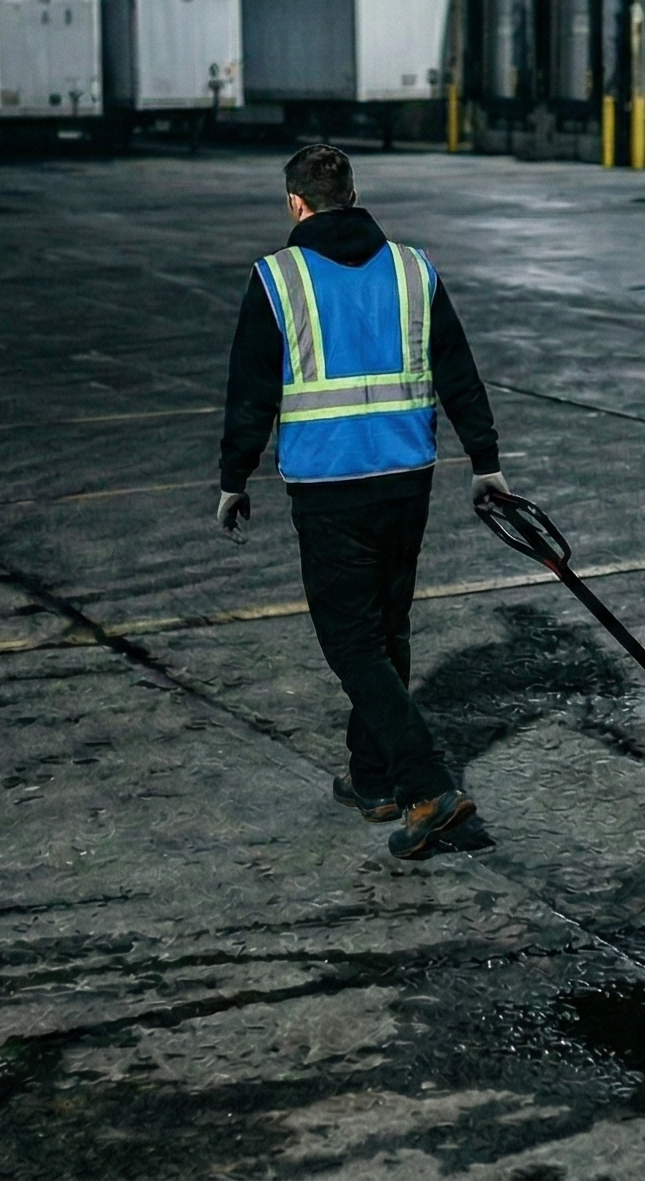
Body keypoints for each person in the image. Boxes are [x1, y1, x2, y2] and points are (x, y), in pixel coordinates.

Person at [217, 144, 508, 860]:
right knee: (389, 629)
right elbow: (458, 370)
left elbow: (251, 392)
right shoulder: (414, 268)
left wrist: (234, 477)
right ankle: (373, 776)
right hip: (407, 476)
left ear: (295, 202)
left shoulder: (277, 279)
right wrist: (486, 462)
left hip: (328, 485)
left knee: (350, 641)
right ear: (351, 194)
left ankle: (425, 782)